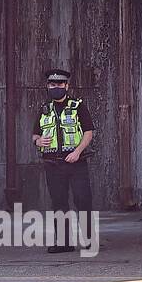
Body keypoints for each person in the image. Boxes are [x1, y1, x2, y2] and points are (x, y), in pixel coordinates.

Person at [33, 68, 95, 254]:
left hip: (76, 162)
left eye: (60, 84)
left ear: (67, 85)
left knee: (83, 200)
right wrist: (37, 141)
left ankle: (88, 239)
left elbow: (89, 132)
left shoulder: (78, 106)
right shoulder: (44, 109)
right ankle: (63, 242)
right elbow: (35, 133)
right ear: (47, 86)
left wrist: (77, 152)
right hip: (53, 164)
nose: (56, 87)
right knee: (59, 202)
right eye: (52, 84)